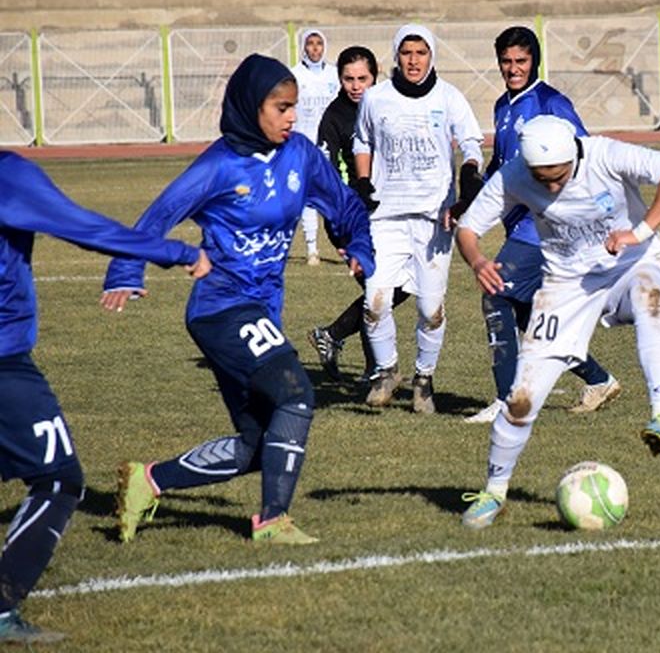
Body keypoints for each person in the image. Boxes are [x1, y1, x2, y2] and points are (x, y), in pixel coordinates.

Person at [102, 53, 374, 546]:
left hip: (262, 309)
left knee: (260, 444)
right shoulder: (218, 166)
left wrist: (358, 245)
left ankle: (149, 482)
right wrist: (125, 269)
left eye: (294, 107)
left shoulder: (301, 156)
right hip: (221, 307)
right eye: (282, 108)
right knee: (297, 392)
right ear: (252, 108)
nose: (292, 117)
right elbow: (156, 216)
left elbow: (344, 204)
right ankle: (272, 521)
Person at [0, 153, 208, 645]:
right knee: (58, 479)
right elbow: (83, 226)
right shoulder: (8, 175)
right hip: (4, 363)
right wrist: (176, 252)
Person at [455, 115, 660, 529]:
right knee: (522, 398)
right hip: (566, 287)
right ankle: (493, 494)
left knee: (648, 298)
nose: (550, 186)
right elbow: (468, 228)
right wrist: (476, 259)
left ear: (573, 156)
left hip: (630, 264)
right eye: (541, 179)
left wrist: (639, 232)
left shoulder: (604, 153)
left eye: (559, 176)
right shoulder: (515, 174)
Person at [461, 26, 620, 425]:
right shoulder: (504, 105)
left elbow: (584, 155)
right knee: (528, 314)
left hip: (548, 225)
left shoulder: (551, 102)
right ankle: (598, 379)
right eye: (507, 62)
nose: (513, 69)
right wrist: (470, 200)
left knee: (495, 291)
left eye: (521, 61)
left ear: (535, 62)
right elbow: (501, 167)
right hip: (521, 225)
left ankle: (506, 399)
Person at [352, 23, 484, 413]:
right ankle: (387, 370)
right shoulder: (376, 98)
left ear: (431, 56)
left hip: (433, 220)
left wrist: (471, 172)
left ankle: (424, 379)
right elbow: (363, 140)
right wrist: (362, 181)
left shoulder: (450, 97)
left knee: (430, 309)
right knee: (375, 301)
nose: (413, 60)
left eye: (421, 53)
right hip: (385, 217)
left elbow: (472, 142)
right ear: (396, 55)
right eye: (406, 52)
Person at [307, 45, 409, 383]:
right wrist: (341, 228)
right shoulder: (335, 118)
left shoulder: (387, 104)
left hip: (390, 212)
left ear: (374, 75)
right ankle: (374, 367)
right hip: (353, 218)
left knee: (399, 287)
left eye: (362, 78)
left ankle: (335, 337)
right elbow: (325, 174)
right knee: (379, 288)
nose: (355, 85)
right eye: (348, 78)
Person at [291, 28, 341, 265]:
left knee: (335, 195)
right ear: (304, 46)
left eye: (319, 43)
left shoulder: (334, 75)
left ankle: (344, 245)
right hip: (304, 145)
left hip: (331, 145)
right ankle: (312, 249)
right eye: (310, 43)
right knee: (309, 197)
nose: (314, 48)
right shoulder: (294, 75)